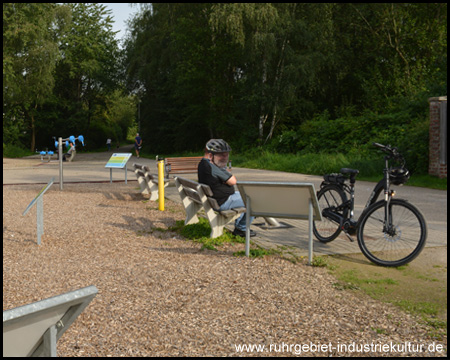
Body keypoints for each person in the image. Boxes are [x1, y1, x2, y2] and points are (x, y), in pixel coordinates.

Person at [198, 139, 255, 237]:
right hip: (223, 202)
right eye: (221, 155)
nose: (225, 157)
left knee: (247, 195)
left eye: (226, 154)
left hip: (215, 200)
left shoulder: (203, 163)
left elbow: (229, 181)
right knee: (254, 200)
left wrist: (225, 179)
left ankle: (240, 227)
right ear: (211, 155)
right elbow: (233, 181)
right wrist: (226, 177)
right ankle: (241, 229)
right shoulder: (212, 167)